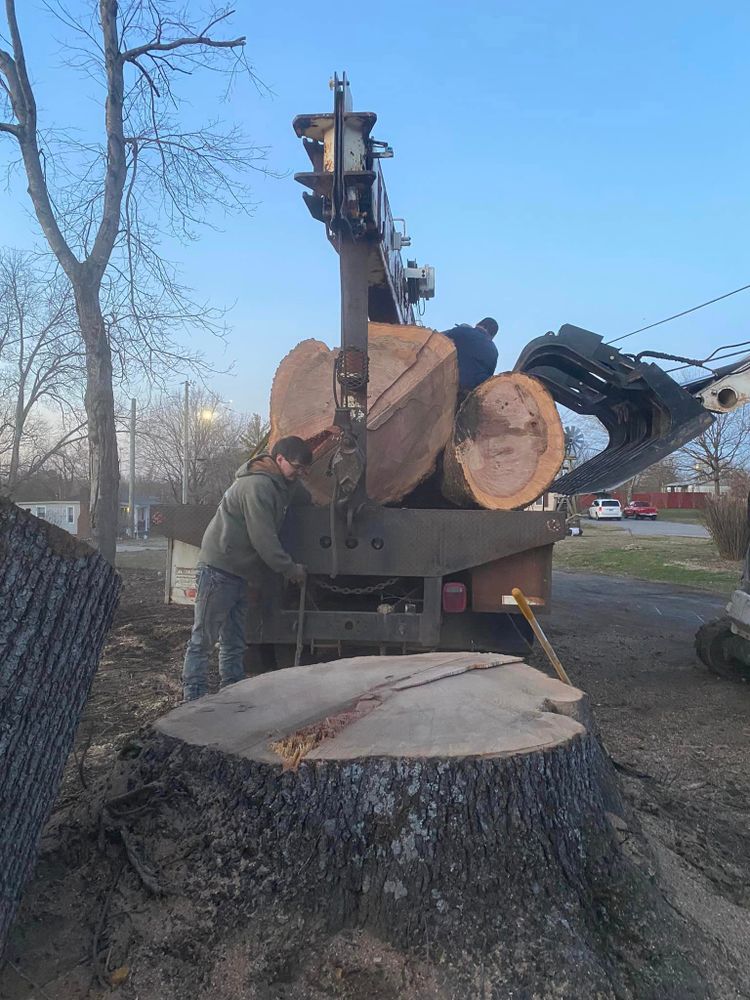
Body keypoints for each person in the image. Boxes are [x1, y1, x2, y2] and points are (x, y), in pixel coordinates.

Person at [181, 435, 312, 702]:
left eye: (304, 470)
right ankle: (192, 699)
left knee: (234, 639)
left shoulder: (282, 483)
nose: (300, 473)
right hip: (219, 569)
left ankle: (232, 693)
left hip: (240, 572)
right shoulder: (258, 487)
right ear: (279, 459)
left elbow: (304, 497)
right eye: (297, 467)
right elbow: (263, 539)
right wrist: (290, 569)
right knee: (203, 638)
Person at [441, 317, 499, 392]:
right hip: (468, 394)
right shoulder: (494, 351)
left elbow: (437, 340)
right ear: (492, 336)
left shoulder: (461, 330)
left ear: (478, 324)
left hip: (446, 382)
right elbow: (488, 378)